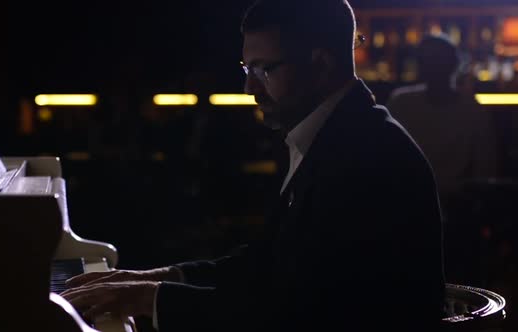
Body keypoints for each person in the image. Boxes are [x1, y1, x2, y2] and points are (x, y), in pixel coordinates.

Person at [61, 1, 445, 331]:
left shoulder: (365, 156)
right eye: (248, 69)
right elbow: (269, 264)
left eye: (265, 69)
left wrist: (152, 300)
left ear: (321, 63)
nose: (250, 88)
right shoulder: (338, 132)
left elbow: (298, 312)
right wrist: (157, 280)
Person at [387, 34, 498, 211]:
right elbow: (486, 169)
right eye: (429, 61)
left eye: (437, 60)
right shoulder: (402, 103)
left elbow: (485, 170)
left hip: (446, 205)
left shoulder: (402, 102)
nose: (434, 67)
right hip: (414, 203)